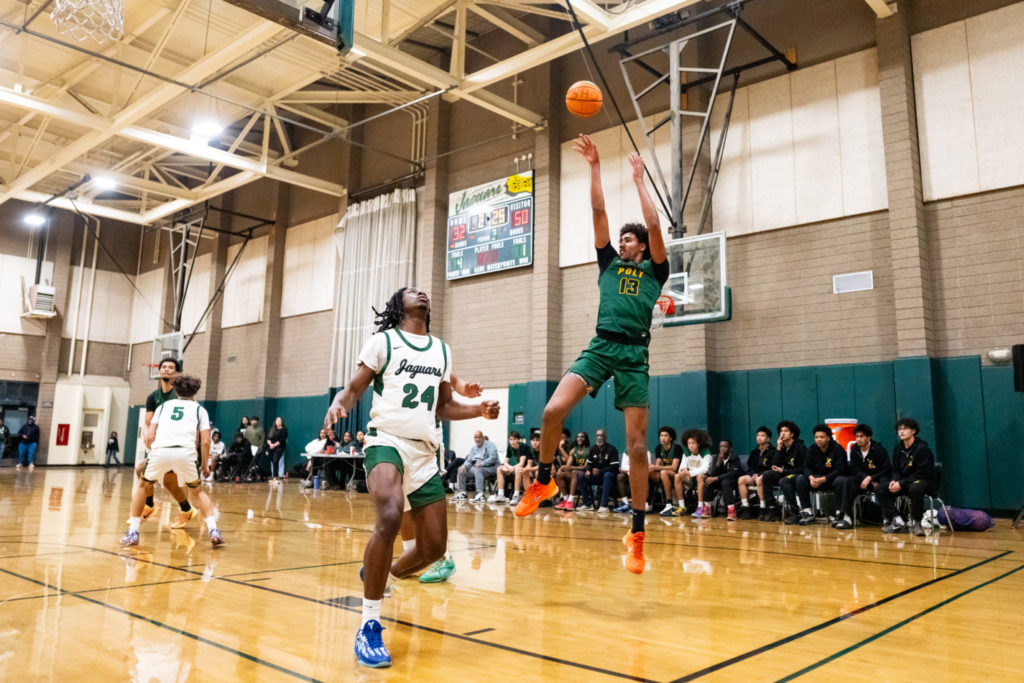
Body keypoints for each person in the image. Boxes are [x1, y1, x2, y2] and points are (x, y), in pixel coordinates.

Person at [513, 135, 668, 574]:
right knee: (550, 412)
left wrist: (639, 181)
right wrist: (596, 167)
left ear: (639, 246)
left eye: (628, 240)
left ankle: (637, 535)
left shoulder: (656, 269)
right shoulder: (609, 265)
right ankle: (542, 483)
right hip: (600, 346)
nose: (622, 243)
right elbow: (598, 212)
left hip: (634, 354)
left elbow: (655, 227)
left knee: (637, 447)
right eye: (620, 240)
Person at [322, 286, 499, 668]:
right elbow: (355, 388)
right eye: (411, 291)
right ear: (397, 306)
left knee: (433, 548)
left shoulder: (442, 350)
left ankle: (380, 570)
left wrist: (478, 410)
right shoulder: (384, 341)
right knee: (388, 516)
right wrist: (339, 403)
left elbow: (445, 405)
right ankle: (369, 625)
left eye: (423, 291)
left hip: (425, 450)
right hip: (386, 439)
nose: (421, 293)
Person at [121, 374, 223, 548]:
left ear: (176, 390)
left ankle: (133, 533)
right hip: (186, 453)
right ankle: (213, 530)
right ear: (195, 392)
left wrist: (154, 452)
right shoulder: (200, 410)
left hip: (161, 451)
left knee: (143, 487)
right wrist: (205, 466)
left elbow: (150, 435)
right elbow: (205, 441)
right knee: (198, 492)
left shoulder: (163, 407)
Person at [137, 358, 196, 529]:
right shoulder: (153, 397)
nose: (167, 370)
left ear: (177, 373)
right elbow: (149, 421)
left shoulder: (182, 396)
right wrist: (150, 436)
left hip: (178, 445)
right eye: (163, 367)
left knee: (146, 472)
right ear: (159, 371)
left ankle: (150, 506)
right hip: (161, 445)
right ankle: (184, 509)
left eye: (171, 368)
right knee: (162, 479)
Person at [877, 418, 938, 536]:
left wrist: (902, 482)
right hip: (904, 482)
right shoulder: (898, 448)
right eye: (899, 429)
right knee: (880, 489)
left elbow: (922, 472)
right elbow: (895, 469)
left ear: (913, 431)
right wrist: (895, 480)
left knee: (915, 488)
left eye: (905, 429)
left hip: (923, 480)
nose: (901, 432)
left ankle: (917, 523)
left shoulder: (922, 448)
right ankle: (898, 519)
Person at [787, 425, 847, 526]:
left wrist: (824, 479)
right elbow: (806, 467)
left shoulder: (837, 449)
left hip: (831, 479)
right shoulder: (812, 449)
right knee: (800, 479)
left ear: (828, 438)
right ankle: (808, 512)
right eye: (816, 437)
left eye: (822, 437)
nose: (819, 440)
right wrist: (811, 477)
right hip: (816, 479)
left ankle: (839, 513)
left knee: (841, 480)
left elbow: (841, 469)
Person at [834, 423, 890, 529]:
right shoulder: (855, 449)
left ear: (868, 438)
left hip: (877, 480)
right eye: (857, 436)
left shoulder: (878, 449)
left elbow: (886, 469)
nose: (859, 439)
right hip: (863, 481)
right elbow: (854, 469)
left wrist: (871, 478)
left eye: (862, 436)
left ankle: (887, 518)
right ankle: (847, 517)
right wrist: (865, 477)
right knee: (847, 482)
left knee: (884, 483)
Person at [760, 421, 806, 522]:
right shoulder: (783, 447)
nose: (782, 433)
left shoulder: (800, 447)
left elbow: (802, 468)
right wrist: (779, 448)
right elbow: (774, 465)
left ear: (792, 434)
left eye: (786, 431)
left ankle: (795, 512)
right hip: (786, 474)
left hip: (798, 477)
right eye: (781, 431)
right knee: (767, 475)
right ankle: (772, 508)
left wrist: (784, 470)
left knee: (784, 481)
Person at [693, 440, 742, 519]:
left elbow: (733, 473)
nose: (722, 449)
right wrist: (718, 462)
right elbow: (713, 474)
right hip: (720, 480)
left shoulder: (734, 458)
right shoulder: (717, 457)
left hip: (733, 481)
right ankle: (707, 508)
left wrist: (716, 478)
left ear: (730, 448)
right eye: (721, 447)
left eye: (725, 446)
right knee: (709, 481)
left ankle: (731, 509)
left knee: (725, 482)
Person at [576, 429, 620, 512]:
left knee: (608, 474)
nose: (599, 438)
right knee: (581, 475)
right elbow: (589, 464)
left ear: (605, 437)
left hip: (609, 477)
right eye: (597, 436)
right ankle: (587, 504)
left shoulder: (612, 449)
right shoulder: (593, 449)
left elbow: (615, 466)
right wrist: (588, 470)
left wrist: (600, 471)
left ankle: (604, 506)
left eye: (601, 436)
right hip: (596, 476)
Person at [738, 426, 776, 520]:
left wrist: (759, 475)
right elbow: (750, 466)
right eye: (758, 435)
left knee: (760, 480)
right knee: (741, 479)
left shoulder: (773, 451)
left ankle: (763, 507)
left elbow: (772, 468)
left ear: (768, 438)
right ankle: (745, 506)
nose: (759, 437)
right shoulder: (754, 452)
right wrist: (752, 475)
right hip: (754, 476)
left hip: (766, 477)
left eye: (762, 436)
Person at [672, 429, 713, 514]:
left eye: (693, 443)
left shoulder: (706, 453)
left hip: (705, 479)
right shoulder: (686, 453)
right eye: (689, 443)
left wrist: (688, 473)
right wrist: (684, 470)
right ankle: (682, 507)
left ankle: (700, 507)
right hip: (690, 478)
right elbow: (682, 467)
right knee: (677, 476)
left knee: (700, 476)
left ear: (699, 444)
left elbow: (704, 469)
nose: (690, 446)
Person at [454, 431, 499, 502]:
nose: (477, 439)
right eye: (475, 438)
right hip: (479, 468)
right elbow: (469, 460)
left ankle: (480, 494)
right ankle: (462, 493)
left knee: (478, 470)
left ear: (483, 438)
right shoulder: (473, 448)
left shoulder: (490, 445)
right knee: (461, 469)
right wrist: (465, 465)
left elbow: (493, 458)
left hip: (492, 467)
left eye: (479, 437)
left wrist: (482, 463)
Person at [489, 431, 530, 504]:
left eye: (514, 439)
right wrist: (509, 468)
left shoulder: (524, 447)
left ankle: (516, 495)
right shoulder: (510, 447)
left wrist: (512, 468)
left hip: (526, 469)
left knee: (517, 469)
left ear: (518, 440)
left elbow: (521, 463)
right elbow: (505, 462)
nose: (512, 441)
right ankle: (501, 494)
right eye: (510, 439)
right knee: (499, 468)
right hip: (515, 468)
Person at [555, 432, 590, 510]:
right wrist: (564, 467)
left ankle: (570, 501)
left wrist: (571, 467)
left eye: (582, 437)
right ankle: (565, 500)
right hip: (574, 474)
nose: (580, 438)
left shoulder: (589, 450)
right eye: (578, 437)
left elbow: (585, 467)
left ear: (585, 439)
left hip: (584, 475)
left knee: (574, 472)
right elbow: (568, 465)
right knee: (559, 473)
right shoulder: (573, 450)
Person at [652, 427, 683, 516]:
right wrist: (652, 467)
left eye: (666, 436)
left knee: (663, 472)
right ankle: (647, 503)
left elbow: (674, 467)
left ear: (671, 438)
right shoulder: (658, 448)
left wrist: (658, 467)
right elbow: (657, 464)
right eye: (661, 436)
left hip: (677, 474)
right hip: (664, 473)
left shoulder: (677, 448)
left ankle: (669, 503)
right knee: (648, 471)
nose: (663, 438)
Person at [266, 417, 288, 481]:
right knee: (273, 461)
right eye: (277, 421)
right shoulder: (272, 429)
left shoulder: (284, 430)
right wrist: (270, 444)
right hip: (271, 447)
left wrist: (274, 445)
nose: (278, 422)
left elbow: (282, 440)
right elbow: (268, 438)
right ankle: (274, 476)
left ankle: (276, 476)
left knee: (276, 460)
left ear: (282, 422)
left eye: (279, 421)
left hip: (279, 447)